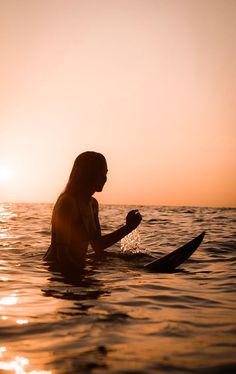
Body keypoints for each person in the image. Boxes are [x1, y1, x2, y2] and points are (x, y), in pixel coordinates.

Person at [43, 151, 142, 271]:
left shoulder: (93, 204)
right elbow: (62, 254)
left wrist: (129, 227)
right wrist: (84, 276)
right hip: (58, 269)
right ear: (88, 174)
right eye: (102, 173)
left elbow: (98, 245)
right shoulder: (67, 202)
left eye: (106, 173)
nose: (105, 178)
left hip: (76, 267)